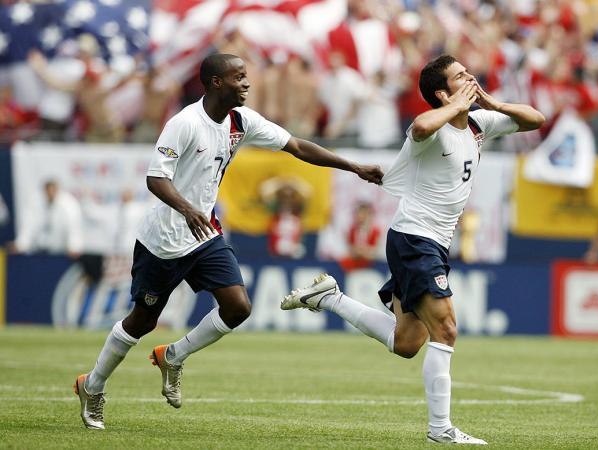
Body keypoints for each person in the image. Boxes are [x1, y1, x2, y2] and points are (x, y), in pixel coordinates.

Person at [73, 53, 383, 430]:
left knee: (238, 307)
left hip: (205, 235)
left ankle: (173, 356)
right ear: (216, 82)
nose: (247, 84)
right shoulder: (184, 124)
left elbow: (298, 146)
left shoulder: (241, 120)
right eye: (239, 77)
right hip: (164, 240)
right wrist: (187, 208)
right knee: (142, 321)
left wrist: (354, 167)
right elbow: (156, 179)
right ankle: (93, 385)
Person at [281, 54, 545, 445]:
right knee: (447, 328)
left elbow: (535, 120)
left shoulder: (477, 123)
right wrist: (455, 106)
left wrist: (492, 104)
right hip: (415, 238)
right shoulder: (434, 129)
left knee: (407, 343)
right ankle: (441, 429)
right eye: (460, 76)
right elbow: (420, 126)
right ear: (443, 92)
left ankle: (331, 299)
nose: (470, 77)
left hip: (433, 243)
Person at [9, 179, 83, 258]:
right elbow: (28, 226)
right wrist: (21, 244)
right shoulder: (34, 202)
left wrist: (74, 246)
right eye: (48, 191)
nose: (50, 193)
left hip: (60, 251)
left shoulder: (69, 204)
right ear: (44, 190)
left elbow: (74, 228)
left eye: (53, 190)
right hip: (37, 250)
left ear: (57, 190)